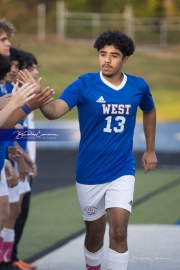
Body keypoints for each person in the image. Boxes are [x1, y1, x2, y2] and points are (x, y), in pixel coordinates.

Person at [19, 30, 158, 270]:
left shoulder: (138, 86)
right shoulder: (84, 84)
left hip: (122, 168)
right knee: (95, 236)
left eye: (114, 55)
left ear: (125, 59)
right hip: (89, 172)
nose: (106, 59)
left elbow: (149, 109)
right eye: (103, 54)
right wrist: (39, 100)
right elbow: (54, 112)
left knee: (119, 232)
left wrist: (150, 150)